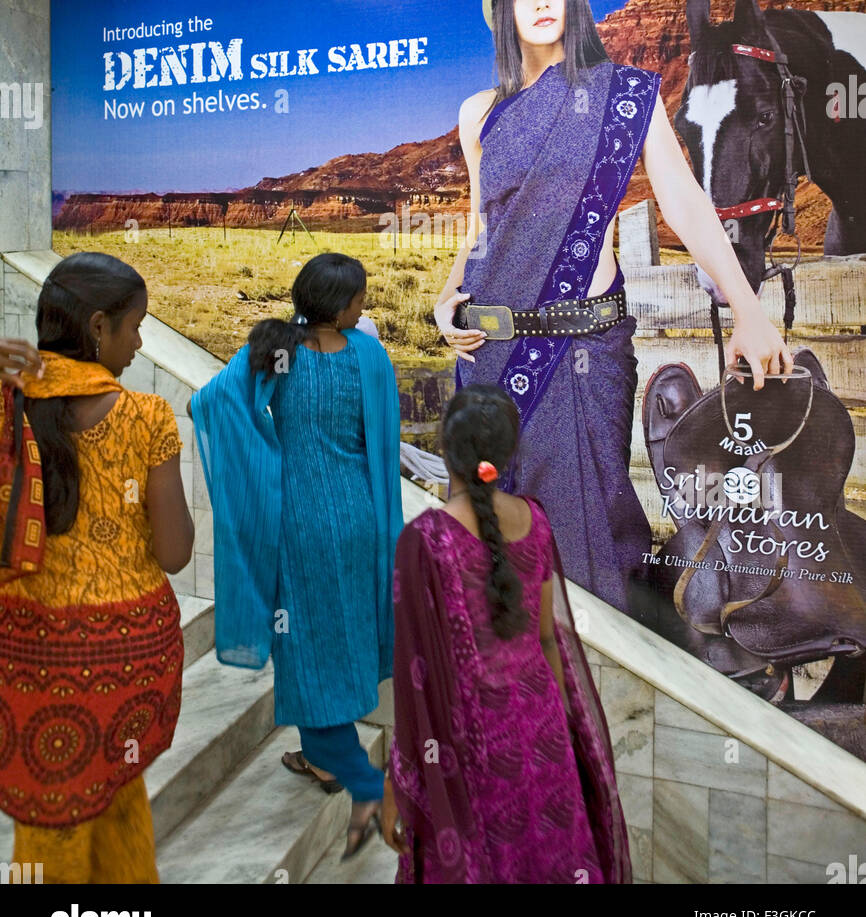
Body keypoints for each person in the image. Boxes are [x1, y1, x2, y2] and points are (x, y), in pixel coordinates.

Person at [433, 0, 793, 621]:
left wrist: (749, 310)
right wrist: (452, 290)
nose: (540, 1)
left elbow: (685, 204)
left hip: (580, 353)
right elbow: (482, 225)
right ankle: (508, 703)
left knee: (588, 538)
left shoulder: (626, 95)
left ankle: (597, 705)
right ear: (503, 11)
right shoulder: (480, 113)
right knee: (491, 541)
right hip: (489, 353)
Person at [190, 252, 403, 859]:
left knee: (306, 638)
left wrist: (264, 456)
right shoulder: (368, 355)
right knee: (343, 627)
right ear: (339, 305)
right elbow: (381, 445)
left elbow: (209, 404)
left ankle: (329, 756)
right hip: (359, 516)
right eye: (359, 298)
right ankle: (329, 754)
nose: (364, 306)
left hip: (299, 520)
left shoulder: (273, 350)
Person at [382, 382, 630, 884]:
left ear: (445, 453)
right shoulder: (535, 520)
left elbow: (415, 681)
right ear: (506, 455)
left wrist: (396, 788)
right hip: (541, 728)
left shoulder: (425, 540)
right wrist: (558, 730)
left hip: (472, 741)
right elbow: (545, 640)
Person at [0, 253, 193, 883]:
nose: (139, 343)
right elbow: (174, 554)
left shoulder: (10, 406)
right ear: (99, 327)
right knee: (116, 792)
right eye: (135, 327)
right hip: (131, 655)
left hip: (30, 650)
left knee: (48, 811)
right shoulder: (146, 417)